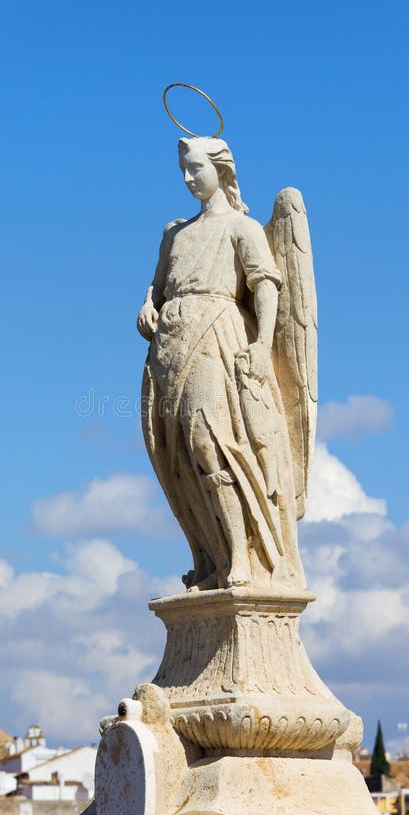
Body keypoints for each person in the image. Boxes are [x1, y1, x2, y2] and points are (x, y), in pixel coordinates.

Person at [138, 137, 305, 591]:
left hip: (216, 336)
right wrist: (148, 307)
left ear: (221, 170)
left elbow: (265, 284)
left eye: (196, 168)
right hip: (170, 347)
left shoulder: (241, 228)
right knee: (178, 457)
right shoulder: (175, 234)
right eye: (183, 170)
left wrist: (263, 344)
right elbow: (158, 288)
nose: (188, 178)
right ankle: (211, 559)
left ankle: (243, 558)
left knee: (211, 444)